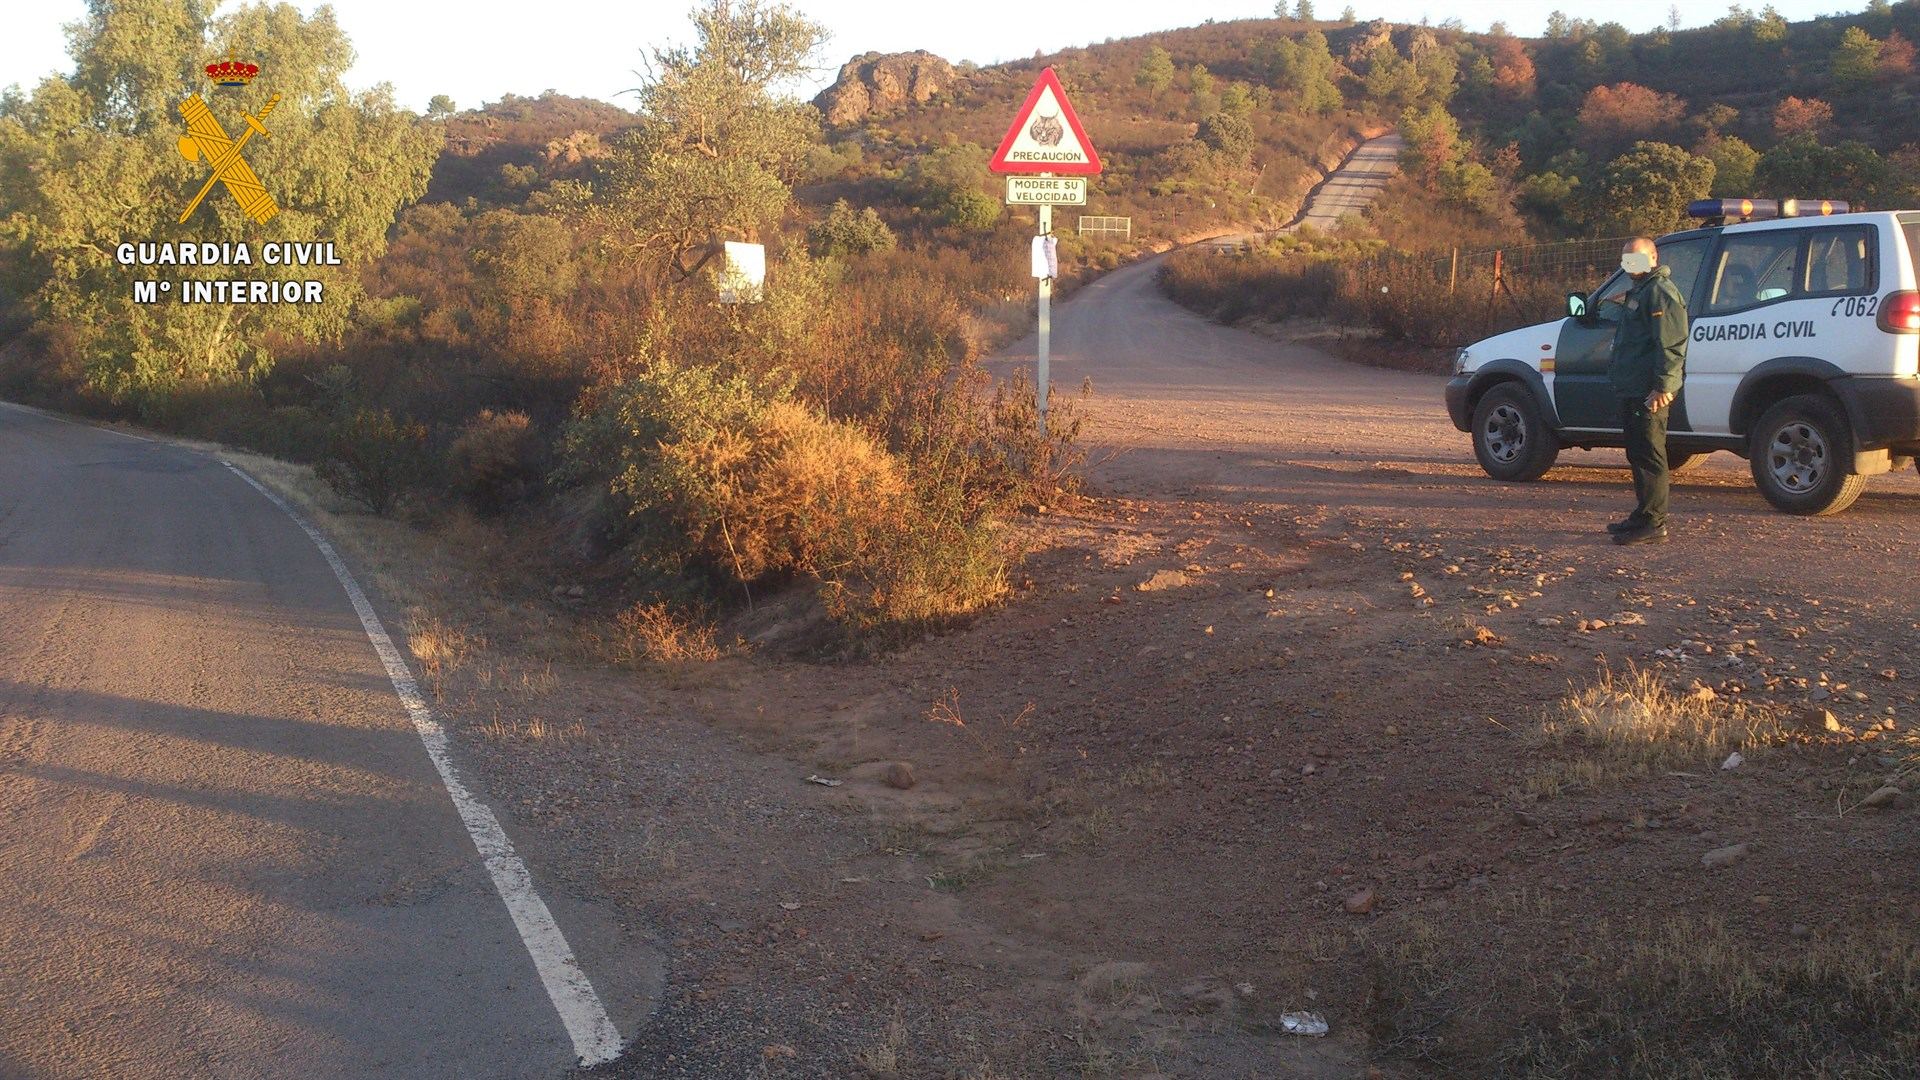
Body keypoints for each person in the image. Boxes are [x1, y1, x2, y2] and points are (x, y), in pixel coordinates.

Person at [1601, 236, 1689, 546]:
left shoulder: (1661, 293)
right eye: (1626, 260)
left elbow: (1671, 344)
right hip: (1633, 387)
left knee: (1650, 455)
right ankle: (1642, 514)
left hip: (1649, 391)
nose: (1630, 266)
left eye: (1636, 259)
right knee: (1637, 452)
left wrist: (1663, 386)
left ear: (1653, 258)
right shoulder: (1641, 290)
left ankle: (1654, 522)